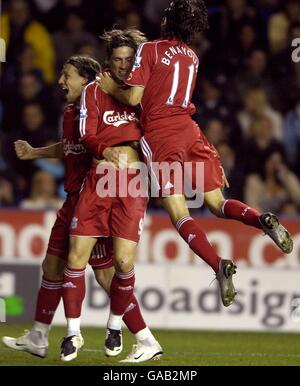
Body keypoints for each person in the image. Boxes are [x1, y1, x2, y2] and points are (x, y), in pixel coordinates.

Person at [97, 0, 293, 308]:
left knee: (179, 213)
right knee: (217, 202)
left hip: (161, 135)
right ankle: (262, 219)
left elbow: (134, 97)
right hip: (191, 130)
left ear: (167, 22)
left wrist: (110, 87)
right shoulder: (192, 56)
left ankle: (218, 264)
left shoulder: (150, 50)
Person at [2, 55, 161, 363]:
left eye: (67, 75)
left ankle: (144, 338)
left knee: (104, 276)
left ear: (86, 80)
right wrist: (35, 153)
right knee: (52, 266)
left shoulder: (99, 106)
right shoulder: (72, 111)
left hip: (93, 196)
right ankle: (38, 335)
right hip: (75, 197)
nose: (61, 82)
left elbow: (101, 144)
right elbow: (71, 146)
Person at [58, 32, 162, 363]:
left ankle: (115, 326)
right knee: (75, 257)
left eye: (128, 60)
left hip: (132, 184)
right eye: (116, 60)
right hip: (99, 179)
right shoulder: (92, 92)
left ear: (137, 61)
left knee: (123, 263)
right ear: (108, 61)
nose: (122, 66)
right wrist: (105, 150)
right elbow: (86, 134)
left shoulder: (144, 95)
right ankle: (73, 333)